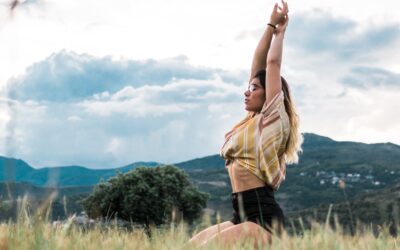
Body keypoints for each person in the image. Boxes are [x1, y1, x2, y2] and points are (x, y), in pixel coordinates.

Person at [189, 0, 302, 248]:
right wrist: (270, 25)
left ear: (270, 94)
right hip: (241, 214)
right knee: (189, 245)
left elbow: (271, 65)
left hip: (263, 218)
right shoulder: (251, 121)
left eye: (254, 88)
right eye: (248, 87)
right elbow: (258, 64)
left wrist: (280, 34)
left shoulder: (271, 119)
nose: (247, 92)